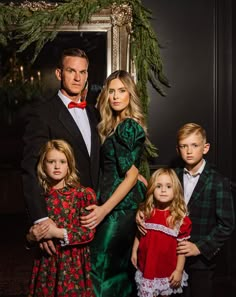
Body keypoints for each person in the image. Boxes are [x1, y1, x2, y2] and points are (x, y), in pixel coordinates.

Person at [136, 123, 235, 297]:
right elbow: (153, 200)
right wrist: (141, 211)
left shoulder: (218, 182)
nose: (189, 151)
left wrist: (200, 247)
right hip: (170, 260)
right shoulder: (171, 177)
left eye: (194, 145)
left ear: (205, 148)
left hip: (200, 263)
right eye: (184, 146)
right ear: (178, 149)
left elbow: (227, 224)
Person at [21, 48, 100, 253]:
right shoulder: (43, 113)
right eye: (71, 71)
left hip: (94, 216)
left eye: (82, 72)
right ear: (59, 73)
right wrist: (41, 220)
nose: (77, 77)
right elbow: (30, 168)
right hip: (60, 218)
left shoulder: (94, 113)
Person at [80, 70, 148, 296]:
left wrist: (103, 211)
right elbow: (130, 171)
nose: (116, 96)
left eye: (122, 91)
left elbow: (129, 176)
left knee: (99, 267)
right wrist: (135, 175)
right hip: (113, 204)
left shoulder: (128, 126)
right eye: (111, 91)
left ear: (131, 95)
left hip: (119, 210)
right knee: (116, 271)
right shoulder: (112, 125)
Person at [26, 139, 96, 297]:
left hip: (73, 266)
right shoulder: (39, 198)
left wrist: (56, 233)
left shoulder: (82, 195)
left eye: (62, 161)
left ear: (69, 164)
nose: (57, 166)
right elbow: (30, 236)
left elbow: (88, 232)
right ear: (43, 164)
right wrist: (31, 237)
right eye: (51, 161)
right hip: (46, 264)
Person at [131, 168, 192, 297]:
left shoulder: (179, 219)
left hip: (166, 270)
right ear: (152, 188)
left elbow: (183, 248)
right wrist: (134, 251)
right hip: (147, 265)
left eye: (168, 186)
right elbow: (140, 233)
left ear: (175, 190)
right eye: (158, 186)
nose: (163, 190)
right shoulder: (147, 212)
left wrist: (179, 270)